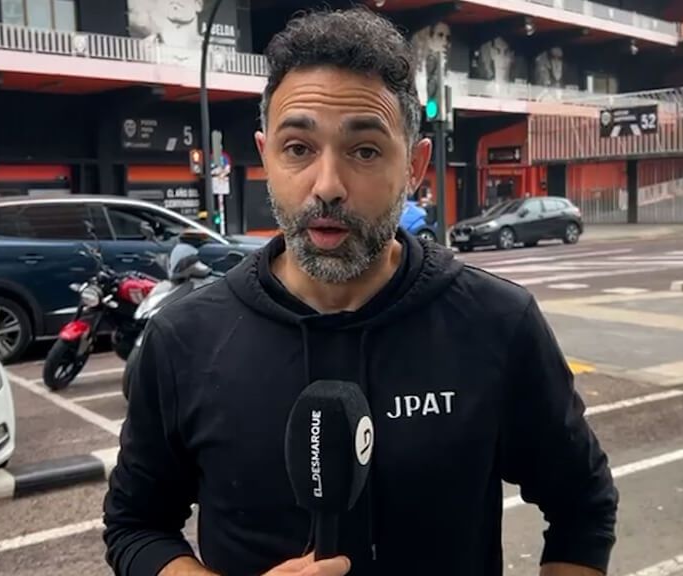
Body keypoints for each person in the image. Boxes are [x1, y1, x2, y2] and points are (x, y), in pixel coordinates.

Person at [102, 7, 617, 576]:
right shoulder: (184, 339)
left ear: (416, 165)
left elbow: (581, 505)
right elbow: (137, 525)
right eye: (298, 148)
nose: (327, 186)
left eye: (365, 151)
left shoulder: (498, 322)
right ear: (266, 156)